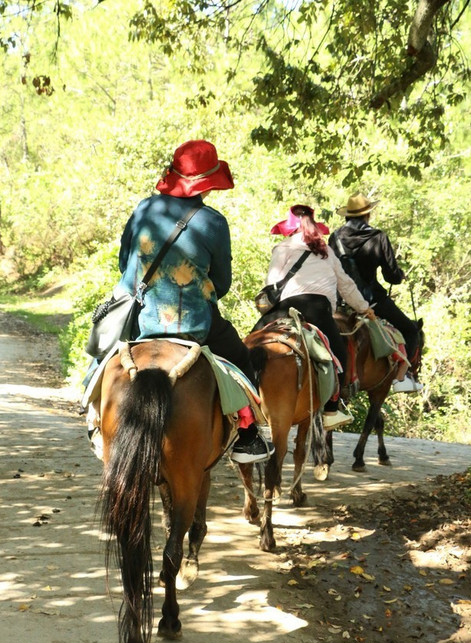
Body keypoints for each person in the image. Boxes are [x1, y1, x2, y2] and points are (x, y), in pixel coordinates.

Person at [115, 139, 274, 463]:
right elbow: (223, 282)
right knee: (242, 358)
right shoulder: (213, 221)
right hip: (195, 324)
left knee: (104, 358)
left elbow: (124, 263)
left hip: (140, 318)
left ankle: (92, 415)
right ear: (208, 183)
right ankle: (248, 436)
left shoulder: (144, 208)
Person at [258, 204, 377, 430]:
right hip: (319, 310)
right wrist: (363, 308)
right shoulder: (327, 252)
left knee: (252, 341)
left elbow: (271, 284)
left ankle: (245, 402)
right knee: (338, 356)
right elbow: (346, 285)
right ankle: (331, 410)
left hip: (285, 307)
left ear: (290, 228)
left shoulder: (282, 247)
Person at [329, 193, 422, 393]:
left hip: (339, 299)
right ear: (367, 215)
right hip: (371, 299)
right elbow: (391, 276)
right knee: (411, 330)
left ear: (347, 216)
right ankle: (402, 378)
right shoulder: (378, 237)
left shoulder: (335, 237)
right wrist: (400, 275)